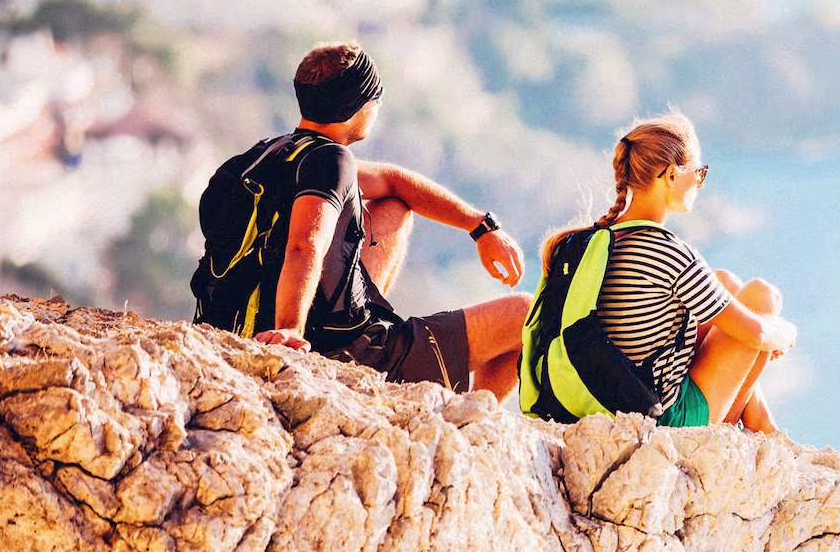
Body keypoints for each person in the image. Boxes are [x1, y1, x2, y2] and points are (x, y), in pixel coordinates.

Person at [195, 42, 532, 398]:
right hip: (337, 350)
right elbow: (305, 243)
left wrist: (480, 226)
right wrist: (289, 331)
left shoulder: (263, 156)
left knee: (393, 209)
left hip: (236, 326)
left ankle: (363, 320)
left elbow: (393, 182)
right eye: (377, 97)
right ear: (358, 105)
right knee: (526, 314)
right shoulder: (330, 162)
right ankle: (475, 418)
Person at [539, 112, 795, 432]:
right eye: (699, 174)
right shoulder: (669, 253)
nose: (701, 183)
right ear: (672, 176)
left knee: (725, 284)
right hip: (659, 417)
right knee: (761, 297)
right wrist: (784, 333)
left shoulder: (590, 242)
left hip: (601, 397)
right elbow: (755, 333)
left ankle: (759, 419)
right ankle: (750, 425)